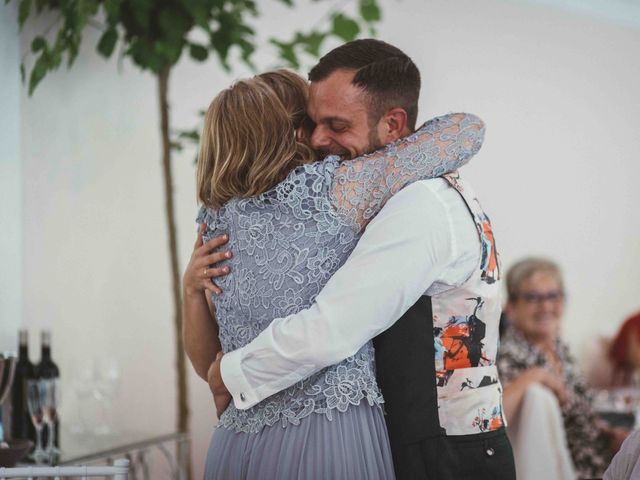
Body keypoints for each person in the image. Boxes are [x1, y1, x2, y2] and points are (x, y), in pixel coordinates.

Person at [202, 39, 516, 479]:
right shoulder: (391, 196)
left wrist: (229, 374)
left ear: (393, 125)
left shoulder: (420, 203)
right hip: (421, 442)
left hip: (444, 452)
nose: (316, 140)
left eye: (336, 124)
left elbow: (332, 328)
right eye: (312, 124)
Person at [496, 257, 628, 479]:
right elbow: (492, 422)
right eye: (532, 297)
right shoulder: (510, 356)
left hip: (600, 459)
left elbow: (579, 417)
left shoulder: (560, 349)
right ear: (511, 307)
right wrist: (534, 376)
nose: (546, 306)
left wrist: (609, 434)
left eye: (553, 295)